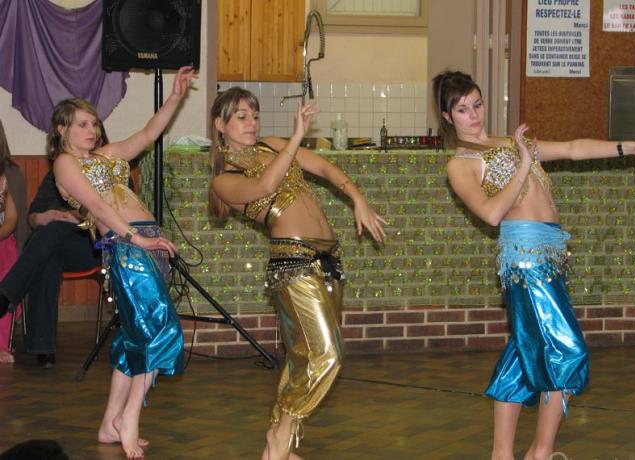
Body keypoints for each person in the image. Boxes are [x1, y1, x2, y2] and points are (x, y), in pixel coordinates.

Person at [434, 70, 635, 460]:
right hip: (526, 263)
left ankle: (502, 454)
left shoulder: (507, 143)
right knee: (567, 351)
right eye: (462, 110)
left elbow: (573, 149)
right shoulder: (460, 164)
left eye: (477, 104)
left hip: (549, 258)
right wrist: (524, 163)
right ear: (447, 117)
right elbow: (491, 214)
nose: (473, 115)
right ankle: (540, 453)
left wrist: (627, 146)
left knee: (525, 351)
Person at [208, 87, 387, 460]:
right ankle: (282, 432)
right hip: (293, 264)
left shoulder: (272, 145)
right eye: (241, 116)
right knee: (327, 355)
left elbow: (323, 168)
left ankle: (280, 444)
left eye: (255, 115)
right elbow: (265, 186)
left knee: (303, 356)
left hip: (329, 260)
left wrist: (358, 199)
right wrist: (295, 138)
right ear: (220, 125)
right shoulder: (224, 180)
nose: (252, 123)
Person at [34, 66, 194, 459]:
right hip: (128, 245)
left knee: (133, 338)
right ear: (61, 129)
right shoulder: (64, 163)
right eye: (82, 124)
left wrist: (175, 97)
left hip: (147, 243)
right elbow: (95, 205)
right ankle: (129, 419)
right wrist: (137, 238)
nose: (92, 130)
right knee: (161, 332)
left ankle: (109, 423)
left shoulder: (106, 155)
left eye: (94, 123)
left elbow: (148, 134)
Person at [0, 168, 101, 368]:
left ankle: (6, 293)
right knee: (47, 255)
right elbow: (31, 216)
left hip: (91, 245)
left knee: (50, 234)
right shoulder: (56, 172)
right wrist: (41, 218)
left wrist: (77, 216)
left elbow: (116, 216)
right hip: (52, 245)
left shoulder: (107, 169)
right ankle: (43, 348)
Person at [0, 121, 18, 364]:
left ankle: (1, 344)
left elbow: (12, 218)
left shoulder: (5, 178)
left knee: (5, 281)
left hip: (3, 242)